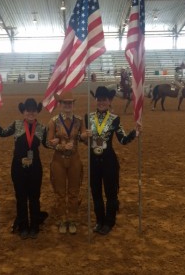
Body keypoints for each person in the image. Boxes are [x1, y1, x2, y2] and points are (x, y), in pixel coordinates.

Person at [0, 98, 48, 240]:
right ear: (23, 111)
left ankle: (34, 225)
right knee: (21, 197)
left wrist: (58, 141)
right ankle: (23, 226)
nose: (31, 112)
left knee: (34, 197)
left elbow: (47, 144)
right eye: (28, 110)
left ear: (37, 112)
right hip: (18, 167)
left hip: (35, 167)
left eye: (33, 110)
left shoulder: (41, 128)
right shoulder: (16, 125)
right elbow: (2, 133)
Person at [85, 86, 136, 235]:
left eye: (104, 100)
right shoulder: (88, 118)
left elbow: (122, 139)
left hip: (109, 161)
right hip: (93, 161)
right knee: (95, 192)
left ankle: (109, 222)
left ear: (109, 101)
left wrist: (134, 133)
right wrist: (83, 136)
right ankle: (99, 220)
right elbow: (82, 140)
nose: (101, 102)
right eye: (99, 99)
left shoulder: (114, 119)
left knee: (110, 193)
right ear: (96, 100)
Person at [46, 91, 88, 234]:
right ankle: (62, 219)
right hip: (58, 160)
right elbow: (48, 142)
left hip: (75, 159)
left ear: (73, 104)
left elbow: (83, 139)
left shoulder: (79, 120)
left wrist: (85, 136)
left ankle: (73, 218)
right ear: (60, 104)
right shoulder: (53, 121)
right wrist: (61, 146)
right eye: (65, 103)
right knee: (60, 192)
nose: (68, 105)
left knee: (74, 191)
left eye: (70, 103)